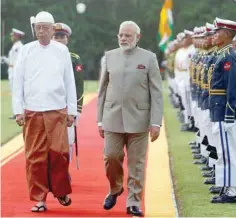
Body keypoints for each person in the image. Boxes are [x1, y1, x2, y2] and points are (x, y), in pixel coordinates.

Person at [12, 11, 77, 212]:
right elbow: (17, 82)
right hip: (32, 110)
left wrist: (72, 110)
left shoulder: (61, 51)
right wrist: (18, 110)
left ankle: (60, 191)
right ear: (35, 29)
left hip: (57, 109)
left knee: (60, 153)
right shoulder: (26, 50)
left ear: (52, 29)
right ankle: (39, 198)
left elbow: (69, 81)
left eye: (45, 27)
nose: (41, 31)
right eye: (38, 27)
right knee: (35, 156)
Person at [97, 20, 163, 216]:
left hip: (139, 120)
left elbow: (157, 92)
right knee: (111, 157)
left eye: (128, 35)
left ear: (137, 37)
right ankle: (115, 188)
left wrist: (156, 122)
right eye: (121, 35)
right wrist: (100, 120)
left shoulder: (149, 58)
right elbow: (101, 90)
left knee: (137, 163)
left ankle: (133, 201)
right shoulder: (109, 57)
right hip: (112, 117)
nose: (124, 38)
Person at [209, 17, 236, 204]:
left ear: (228, 34)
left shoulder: (228, 55)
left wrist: (229, 111)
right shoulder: (221, 54)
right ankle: (226, 187)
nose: (214, 35)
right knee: (223, 151)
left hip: (224, 110)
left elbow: (231, 87)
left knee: (228, 152)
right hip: (217, 108)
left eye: (218, 31)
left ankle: (232, 191)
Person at [53, 22, 84, 170]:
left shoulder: (73, 58)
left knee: (67, 140)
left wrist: (76, 109)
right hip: (50, 105)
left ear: (67, 39)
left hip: (67, 106)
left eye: (62, 37)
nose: (59, 39)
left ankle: (64, 169)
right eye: (56, 36)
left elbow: (78, 85)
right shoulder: (45, 57)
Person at [2, 28, 25, 119]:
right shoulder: (15, 46)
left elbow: (18, 61)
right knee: (14, 92)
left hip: (16, 71)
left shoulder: (19, 47)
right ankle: (16, 112)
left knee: (17, 93)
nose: (11, 37)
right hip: (12, 70)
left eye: (13, 35)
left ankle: (18, 112)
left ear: (17, 36)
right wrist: (5, 59)